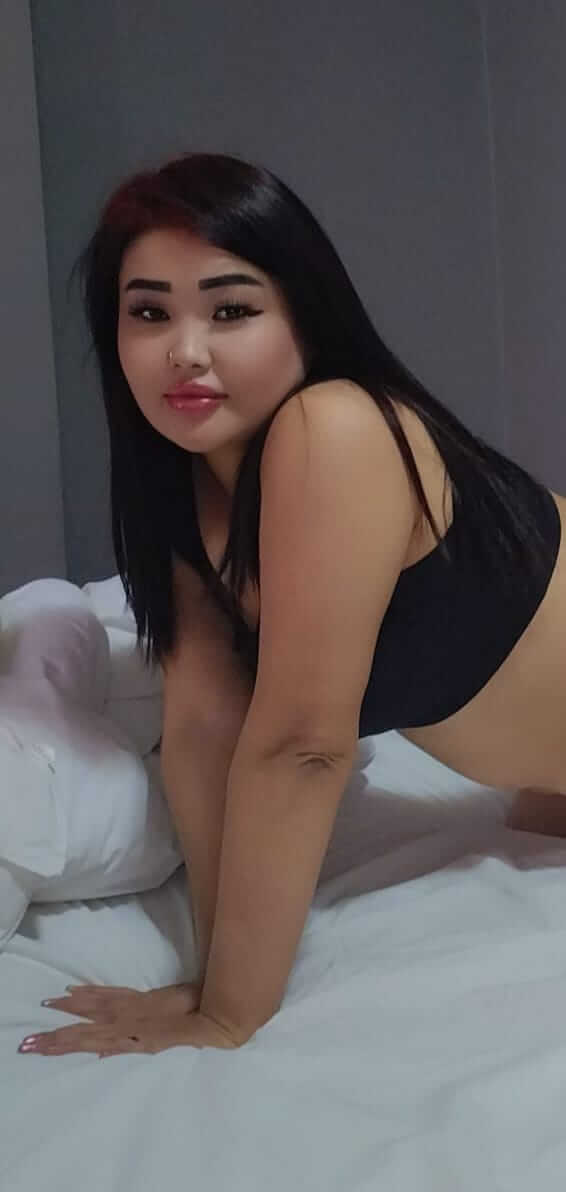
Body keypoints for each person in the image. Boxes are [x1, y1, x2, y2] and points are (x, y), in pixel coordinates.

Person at [44, 149, 565, 1056]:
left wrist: (230, 1011)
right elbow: (205, 727)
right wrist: (212, 976)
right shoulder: (186, 483)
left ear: (305, 316)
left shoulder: (336, 430)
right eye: (149, 312)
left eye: (231, 309)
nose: (185, 350)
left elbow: (302, 745)